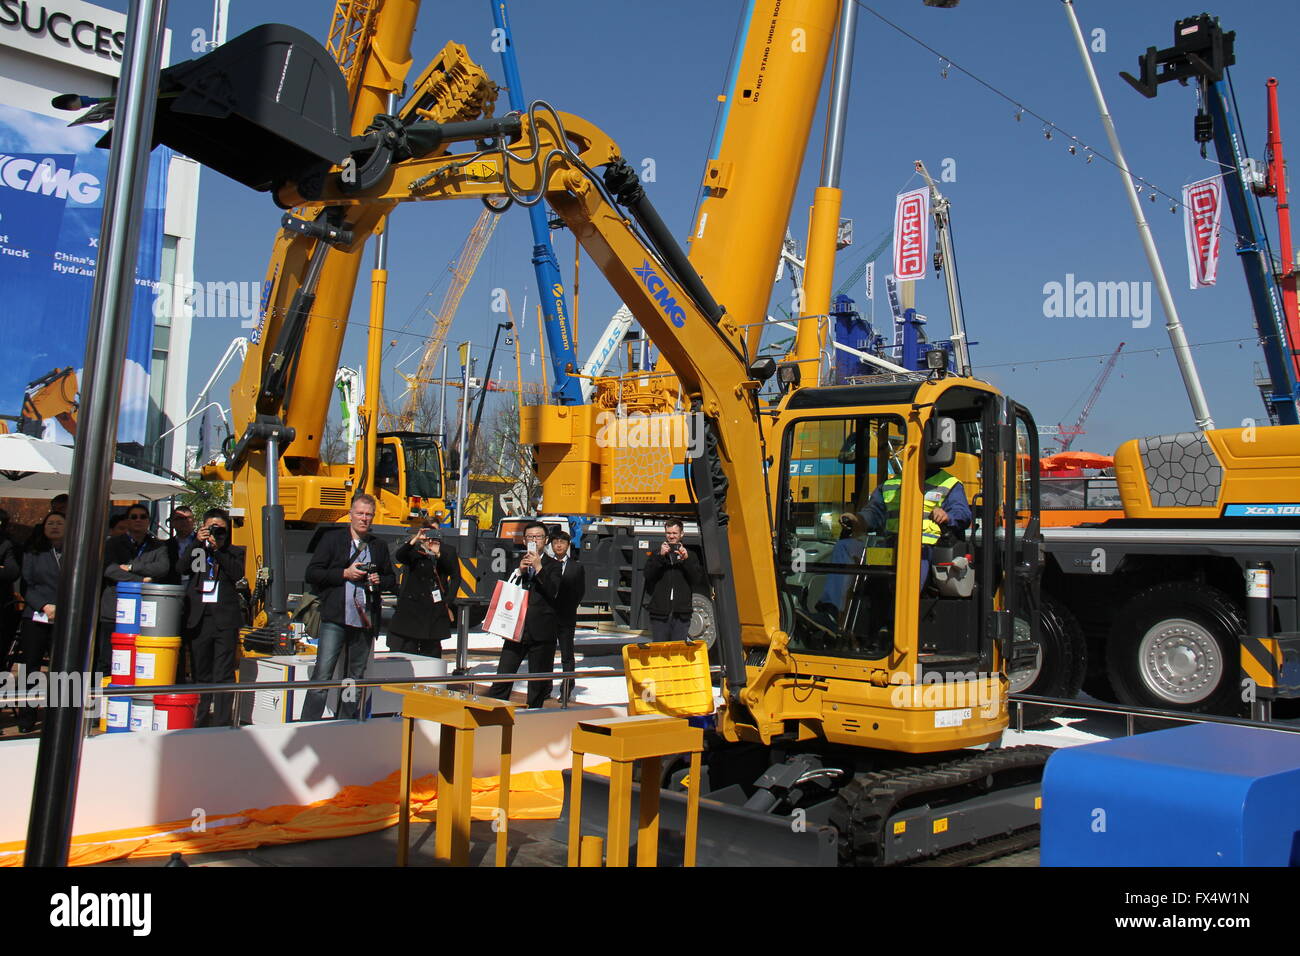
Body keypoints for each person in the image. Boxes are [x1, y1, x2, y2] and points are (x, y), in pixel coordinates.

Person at [301, 494, 396, 721]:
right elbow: (312, 573)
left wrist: (378, 580)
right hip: (336, 616)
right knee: (323, 672)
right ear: (351, 515)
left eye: (368, 515)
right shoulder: (332, 540)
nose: (364, 519)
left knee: (354, 676)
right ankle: (308, 723)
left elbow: (392, 579)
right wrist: (345, 573)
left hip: (364, 619)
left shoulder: (379, 546)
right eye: (360, 514)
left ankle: (346, 721)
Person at [485, 521, 570, 709]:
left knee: (538, 682)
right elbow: (505, 587)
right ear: (524, 540)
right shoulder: (517, 561)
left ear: (545, 540)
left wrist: (539, 568)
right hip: (516, 627)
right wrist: (520, 571)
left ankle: (534, 714)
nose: (534, 540)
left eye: (538, 537)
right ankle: (494, 709)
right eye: (530, 537)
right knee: (503, 675)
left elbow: (553, 591)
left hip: (542, 630)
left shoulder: (554, 565)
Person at [183, 510, 245, 726]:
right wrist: (196, 543)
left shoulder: (233, 551)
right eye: (211, 528)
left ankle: (221, 721)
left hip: (224, 619)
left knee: (223, 672)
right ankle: (198, 720)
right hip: (199, 617)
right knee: (201, 672)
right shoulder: (198, 551)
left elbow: (237, 574)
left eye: (220, 529)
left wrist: (218, 550)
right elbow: (181, 568)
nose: (215, 533)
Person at [98, 504, 168, 675]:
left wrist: (130, 567)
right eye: (134, 517)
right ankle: (101, 699)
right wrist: (141, 580)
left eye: (143, 517)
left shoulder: (157, 545)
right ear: (127, 521)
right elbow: (109, 570)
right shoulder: (112, 543)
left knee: (140, 659)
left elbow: (162, 568)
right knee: (108, 659)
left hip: (145, 610)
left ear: (149, 521)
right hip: (114, 609)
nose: (138, 520)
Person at [15, 512, 64, 733]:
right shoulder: (34, 551)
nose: (54, 527)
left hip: (65, 616)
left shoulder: (76, 552)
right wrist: (44, 605)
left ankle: (59, 717)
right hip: (36, 614)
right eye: (50, 523)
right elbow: (25, 584)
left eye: (59, 523)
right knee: (30, 667)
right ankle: (27, 716)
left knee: (62, 668)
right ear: (43, 527)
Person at [387, 521, 460, 658]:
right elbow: (400, 556)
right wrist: (415, 539)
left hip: (435, 607)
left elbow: (455, 574)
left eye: (436, 533)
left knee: (431, 650)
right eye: (428, 534)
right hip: (413, 607)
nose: (432, 538)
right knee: (408, 648)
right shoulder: (415, 550)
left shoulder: (446, 551)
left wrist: (448, 601)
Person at [642, 518, 705, 643]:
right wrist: (660, 557)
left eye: (674, 533)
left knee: (678, 650)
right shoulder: (656, 554)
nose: (671, 537)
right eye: (668, 533)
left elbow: (697, 579)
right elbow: (648, 575)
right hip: (659, 613)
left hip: (681, 613)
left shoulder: (690, 555)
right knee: (660, 650)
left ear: (681, 534)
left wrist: (686, 560)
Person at [546, 529, 586, 702]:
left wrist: (569, 607)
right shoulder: (545, 564)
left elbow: (580, 591)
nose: (559, 545)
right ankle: (543, 688)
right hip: (547, 616)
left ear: (568, 545)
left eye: (562, 542)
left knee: (567, 656)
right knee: (545, 655)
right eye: (555, 543)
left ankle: (566, 690)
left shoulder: (576, 567)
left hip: (566, 617)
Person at [163, 506, 197, 585]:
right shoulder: (166, 546)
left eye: (188, 518)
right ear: (172, 522)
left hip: (196, 586)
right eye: (179, 518)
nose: (184, 521)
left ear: (194, 521)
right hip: (173, 586)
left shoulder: (203, 542)